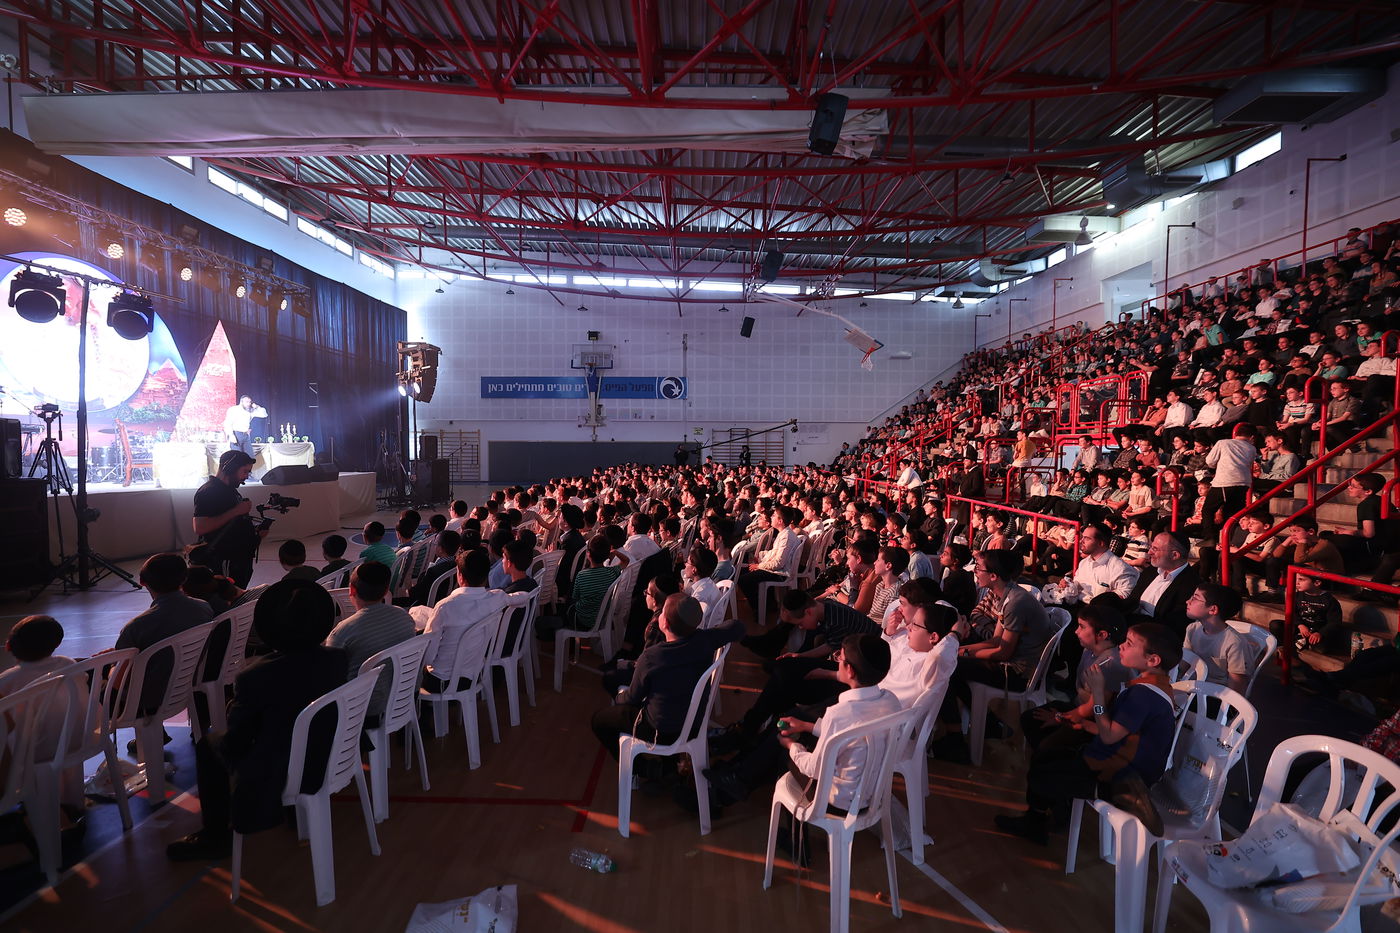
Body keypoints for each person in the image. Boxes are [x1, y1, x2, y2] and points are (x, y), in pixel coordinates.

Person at [166, 580, 347, 861]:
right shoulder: (338, 659)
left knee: (208, 746)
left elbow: (236, 742)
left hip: (282, 769)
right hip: (328, 756)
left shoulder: (256, 676)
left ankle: (215, 835)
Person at [994, 622, 1180, 845]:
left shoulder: (1143, 695)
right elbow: (1120, 732)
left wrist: (1099, 695)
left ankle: (1117, 793)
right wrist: (1086, 724)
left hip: (1121, 769)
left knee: (1041, 774)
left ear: (1153, 660)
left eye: (1129, 644)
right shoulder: (1153, 685)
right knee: (1045, 758)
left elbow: (1110, 735)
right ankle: (1040, 818)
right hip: (1118, 759)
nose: (1121, 646)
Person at [590, 595, 743, 759]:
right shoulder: (705, 640)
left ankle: (645, 768)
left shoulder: (651, 657)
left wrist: (619, 699)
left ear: (665, 623)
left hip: (661, 731)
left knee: (599, 721)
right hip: (694, 724)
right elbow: (737, 626)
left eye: (662, 612)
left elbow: (632, 698)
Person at [116, 552, 215, 713]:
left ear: (142, 582)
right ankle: (154, 732)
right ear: (184, 579)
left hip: (145, 700)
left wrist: (110, 664)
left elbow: (120, 677)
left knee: (89, 676)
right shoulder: (204, 608)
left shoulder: (136, 627)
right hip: (184, 684)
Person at [324, 562, 416, 717]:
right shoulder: (404, 617)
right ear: (386, 591)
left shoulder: (342, 632)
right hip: (402, 698)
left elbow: (330, 680)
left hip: (360, 712)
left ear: (351, 590)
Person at [420, 549, 507, 692]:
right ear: (487, 575)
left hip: (441, 682)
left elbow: (428, 658)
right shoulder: (497, 597)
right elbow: (518, 596)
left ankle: (426, 711)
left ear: (459, 575)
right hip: (473, 675)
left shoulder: (445, 606)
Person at [192, 450, 262, 588]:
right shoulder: (209, 491)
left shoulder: (229, 490)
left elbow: (231, 523)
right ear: (230, 468)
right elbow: (200, 527)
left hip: (237, 559)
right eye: (245, 471)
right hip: (223, 559)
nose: (247, 476)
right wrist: (236, 511)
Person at [1121, 532, 1200, 636]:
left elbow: (1171, 627)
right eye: (1151, 547)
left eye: (1155, 549)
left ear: (1175, 555)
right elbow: (1132, 601)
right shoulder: (1150, 571)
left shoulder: (1192, 585)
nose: (1149, 552)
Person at [1183, 583, 1254, 693]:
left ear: (1213, 609)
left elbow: (1236, 687)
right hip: (1192, 687)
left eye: (1195, 598)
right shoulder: (1192, 629)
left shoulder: (1235, 643)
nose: (1188, 601)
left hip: (1217, 695)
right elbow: (1184, 666)